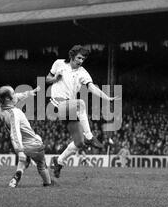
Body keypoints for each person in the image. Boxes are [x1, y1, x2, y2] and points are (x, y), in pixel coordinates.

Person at [46, 45, 120, 178]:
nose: (81, 61)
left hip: (69, 106)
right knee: (81, 104)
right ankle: (90, 136)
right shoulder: (59, 63)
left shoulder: (83, 72)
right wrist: (55, 79)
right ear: (72, 55)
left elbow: (91, 87)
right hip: (57, 103)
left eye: (83, 59)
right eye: (79, 57)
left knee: (79, 143)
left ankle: (58, 162)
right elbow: (47, 79)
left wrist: (107, 97)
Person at [0, 85, 52, 188]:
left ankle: (17, 176)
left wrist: (29, 93)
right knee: (41, 164)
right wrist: (20, 150)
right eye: (13, 93)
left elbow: (17, 97)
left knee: (25, 160)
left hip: (22, 143)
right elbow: (15, 132)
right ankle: (48, 184)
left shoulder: (1, 108)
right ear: (8, 98)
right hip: (32, 144)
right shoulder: (15, 113)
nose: (15, 95)